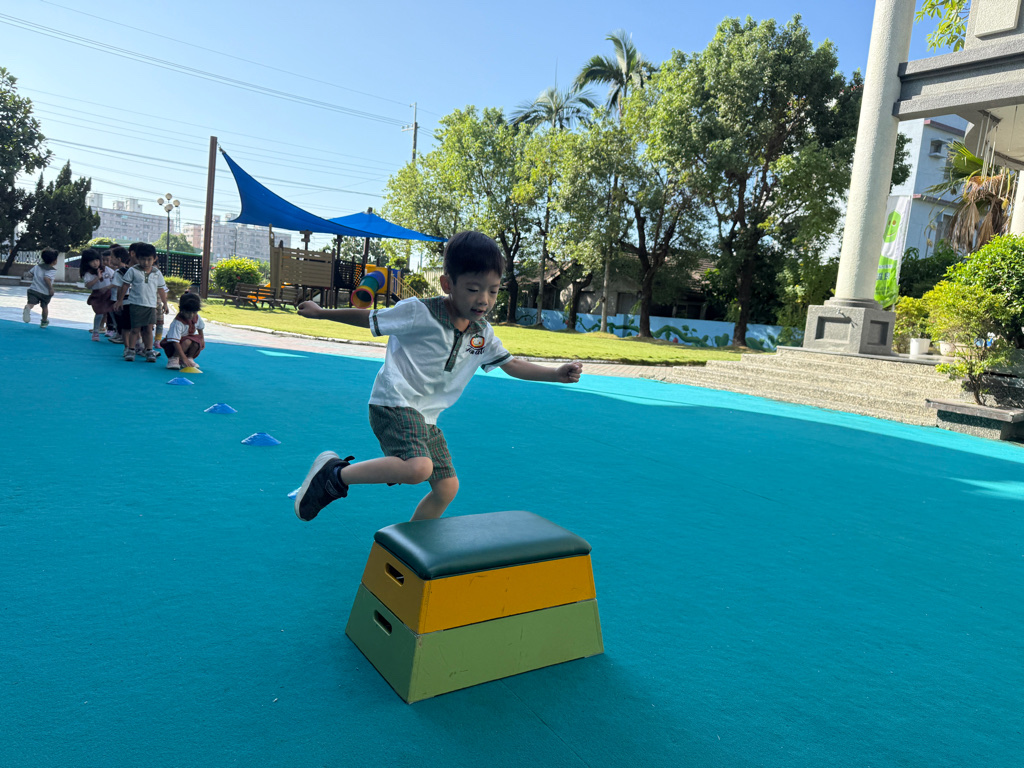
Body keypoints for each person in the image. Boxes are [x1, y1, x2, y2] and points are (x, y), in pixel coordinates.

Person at [291, 230, 583, 524]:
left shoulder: (482, 333)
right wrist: (321, 313)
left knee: (447, 488)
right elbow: (369, 318)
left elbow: (512, 364)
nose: (483, 299)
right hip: (394, 401)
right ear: (447, 284)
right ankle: (334, 475)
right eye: (473, 289)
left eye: (493, 291)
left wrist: (555, 374)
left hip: (426, 418)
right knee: (419, 468)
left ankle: (413, 543)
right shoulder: (419, 312)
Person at [114, 243, 168, 363]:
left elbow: (161, 289)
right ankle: (131, 350)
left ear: (155, 259)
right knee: (135, 329)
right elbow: (125, 285)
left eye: (149, 259)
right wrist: (120, 300)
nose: (146, 262)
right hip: (136, 304)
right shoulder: (132, 270)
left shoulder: (157, 273)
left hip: (151, 306)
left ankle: (149, 350)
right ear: (137, 258)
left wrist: (165, 303)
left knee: (148, 329)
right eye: (143, 259)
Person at [161, 292, 205, 371]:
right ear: (181, 310)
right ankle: (174, 358)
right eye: (188, 312)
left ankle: (189, 358)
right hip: (173, 346)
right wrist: (183, 357)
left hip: (186, 341)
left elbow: (200, 328)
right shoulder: (177, 323)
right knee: (187, 341)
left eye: (194, 312)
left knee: (196, 342)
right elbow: (175, 342)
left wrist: (202, 340)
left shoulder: (197, 317)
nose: (191, 315)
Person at [81, 249, 115, 341]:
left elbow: (114, 278)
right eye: (92, 261)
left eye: (97, 260)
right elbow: (88, 285)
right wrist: (97, 278)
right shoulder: (88, 273)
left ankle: (115, 331)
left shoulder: (107, 269)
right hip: (98, 295)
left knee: (113, 313)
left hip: (109, 293)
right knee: (99, 313)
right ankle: (96, 332)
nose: (95, 263)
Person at [22, 248, 58, 327]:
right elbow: (46, 278)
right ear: (54, 261)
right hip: (45, 293)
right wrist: (51, 288)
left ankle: (28, 307)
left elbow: (30, 274)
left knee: (31, 303)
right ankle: (44, 322)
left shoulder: (37, 267)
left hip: (33, 290)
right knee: (44, 307)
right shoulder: (52, 270)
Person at [108, 247, 132, 346]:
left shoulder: (119, 272)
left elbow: (119, 287)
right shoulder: (129, 270)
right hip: (130, 298)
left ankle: (124, 340)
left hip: (122, 299)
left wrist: (119, 300)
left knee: (122, 321)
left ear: (119, 259)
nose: (110, 259)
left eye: (112, 257)